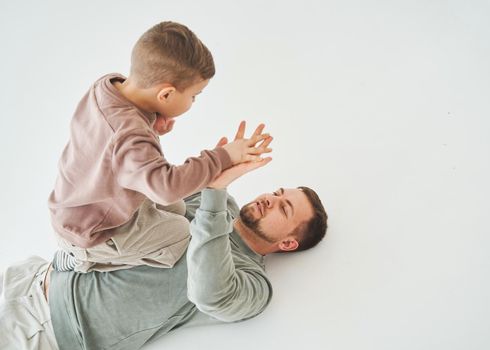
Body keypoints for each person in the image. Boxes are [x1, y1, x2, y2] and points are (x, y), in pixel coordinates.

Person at [0, 156, 328, 350]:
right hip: (33, 274)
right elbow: (150, 191)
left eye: (283, 208)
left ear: (287, 243)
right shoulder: (218, 203)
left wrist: (215, 192)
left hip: (43, 331)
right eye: (277, 191)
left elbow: (209, 292)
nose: (270, 198)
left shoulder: (254, 286)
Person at [48, 21, 272, 273]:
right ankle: (83, 260)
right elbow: (166, 187)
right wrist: (222, 157)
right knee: (180, 233)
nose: (193, 102)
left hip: (80, 202)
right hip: (93, 232)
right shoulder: (131, 136)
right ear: (165, 94)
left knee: (179, 209)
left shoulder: (107, 86)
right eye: (194, 96)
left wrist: (150, 120)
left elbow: (112, 143)